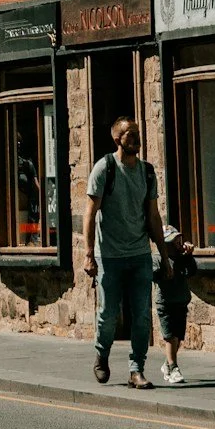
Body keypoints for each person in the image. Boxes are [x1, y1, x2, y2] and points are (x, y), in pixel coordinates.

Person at [83, 117, 166, 388]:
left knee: (142, 314)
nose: (136, 139)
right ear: (117, 138)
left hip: (140, 254)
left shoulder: (147, 172)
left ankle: (136, 370)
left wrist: (164, 256)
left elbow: (153, 216)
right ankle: (102, 354)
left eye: (138, 134)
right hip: (109, 255)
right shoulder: (104, 168)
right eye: (130, 134)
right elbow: (90, 213)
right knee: (107, 315)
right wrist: (88, 253)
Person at [154, 213, 196, 387]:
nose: (178, 244)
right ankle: (173, 367)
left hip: (181, 300)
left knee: (178, 337)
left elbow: (191, 272)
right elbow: (156, 275)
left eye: (179, 241)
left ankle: (167, 364)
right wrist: (167, 265)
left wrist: (188, 256)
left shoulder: (182, 258)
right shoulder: (158, 259)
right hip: (166, 302)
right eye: (173, 242)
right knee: (170, 336)